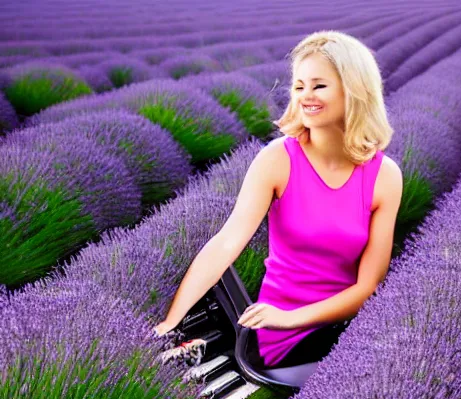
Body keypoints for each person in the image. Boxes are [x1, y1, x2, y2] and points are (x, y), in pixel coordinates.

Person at [154, 30, 403, 369]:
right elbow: (226, 243)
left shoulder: (384, 176)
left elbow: (368, 286)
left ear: (354, 90)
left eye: (319, 85)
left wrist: (297, 317)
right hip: (281, 333)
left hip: (345, 328)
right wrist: (170, 322)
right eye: (299, 86)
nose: (305, 96)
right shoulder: (278, 160)